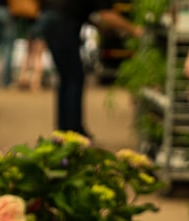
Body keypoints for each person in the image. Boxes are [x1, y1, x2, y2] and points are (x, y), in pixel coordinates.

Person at [40, 0, 143, 137]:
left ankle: (64, 129)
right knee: (74, 78)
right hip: (62, 23)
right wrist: (134, 30)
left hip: (49, 18)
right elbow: (107, 14)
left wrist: (99, 26)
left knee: (67, 78)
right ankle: (73, 130)